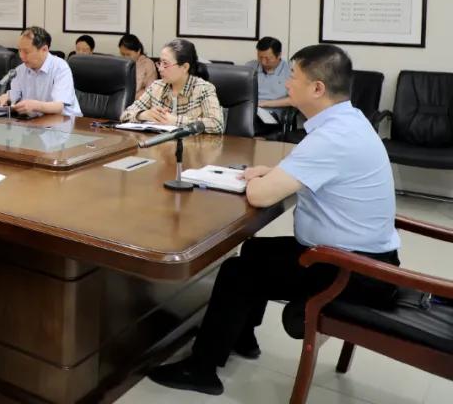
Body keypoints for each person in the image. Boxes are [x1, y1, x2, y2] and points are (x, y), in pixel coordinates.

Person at [148, 44, 400, 396]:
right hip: (367, 257)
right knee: (254, 251)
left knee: (236, 272)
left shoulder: (332, 137)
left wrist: (260, 181)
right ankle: (243, 337)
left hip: (353, 271)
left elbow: (260, 196)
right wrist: (273, 172)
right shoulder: (349, 121)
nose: (286, 84)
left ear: (317, 88)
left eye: (293, 77)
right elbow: (312, 169)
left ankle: (201, 370)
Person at [121, 39, 224, 133]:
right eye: (160, 63)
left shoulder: (203, 88)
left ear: (184, 67)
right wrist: (143, 115)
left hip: (191, 146)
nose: (160, 69)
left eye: (165, 64)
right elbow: (125, 115)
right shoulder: (157, 86)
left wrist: (175, 121)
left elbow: (217, 124)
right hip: (159, 146)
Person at [0, 27, 81, 117]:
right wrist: (7, 98)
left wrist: (36, 106)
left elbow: (59, 107)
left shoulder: (60, 67)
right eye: (20, 50)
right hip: (36, 121)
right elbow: (14, 95)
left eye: (26, 52)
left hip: (66, 120)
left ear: (44, 50)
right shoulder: (20, 70)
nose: (21, 56)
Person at [247, 36, 292, 114]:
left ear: (279, 55)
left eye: (267, 59)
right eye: (260, 57)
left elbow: (295, 100)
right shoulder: (250, 67)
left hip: (272, 113)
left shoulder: (290, 72)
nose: (263, 62)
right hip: (249, 110)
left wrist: (264, 103)